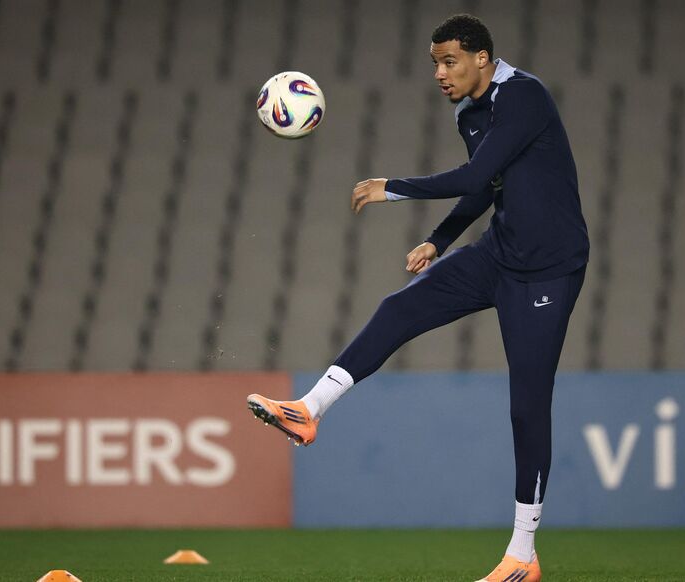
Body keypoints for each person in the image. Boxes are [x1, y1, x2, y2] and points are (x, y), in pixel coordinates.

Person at [247, 13, 588, 582]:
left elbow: (474, 174)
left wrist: (392, 188)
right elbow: (488, 186)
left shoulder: (523, 96)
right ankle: (309, 411)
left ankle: (523, 555)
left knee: (527, 406)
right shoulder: (469, 111)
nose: (440, 73)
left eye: (449, 61)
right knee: (400, 306)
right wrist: (439, 240)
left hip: (548, 271)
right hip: (498, 253)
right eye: (435, 63)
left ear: (482, 58)